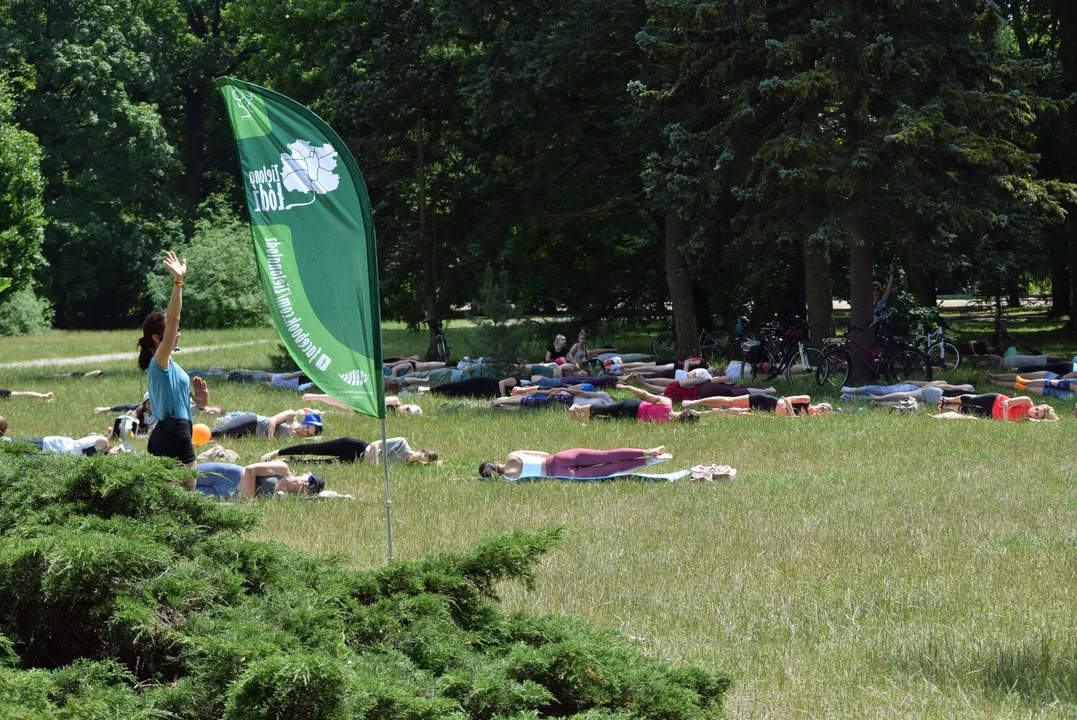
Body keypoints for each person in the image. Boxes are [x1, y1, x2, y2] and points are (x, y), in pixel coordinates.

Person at [138, 251, 198, 475]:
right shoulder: (159, 361)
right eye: (173, 332)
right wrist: (178, 282)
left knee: (170, 495)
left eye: (177, 332)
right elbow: (173, 319)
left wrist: (198, 404)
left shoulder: (169, 364)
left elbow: (175, 406)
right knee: (187, 492)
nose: (177, 334)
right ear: (156, 337)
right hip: (174, 432)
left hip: (170, 430)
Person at [479, 446, 671, 480]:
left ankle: (650, 461)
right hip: (560, 458)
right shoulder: (513, 455)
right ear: (496, 462)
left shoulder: (510, 480)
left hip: (561, 474)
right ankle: (648, 451)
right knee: (607, 455)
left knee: (609, 469)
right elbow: (543, 453)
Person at [568, 385, 700, 423]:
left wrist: (629, 387)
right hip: (633, 418)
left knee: (606, 409)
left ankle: (576, 409)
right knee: (607, 421)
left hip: (634, 405)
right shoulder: (666, 423)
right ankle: (576, 418)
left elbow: (644, 395)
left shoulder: (666, 402)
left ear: (683, 412)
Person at [194, 460, 325, 498]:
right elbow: (251, 469)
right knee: (180, 476)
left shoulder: (285, 498)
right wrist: (249, 498)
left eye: (311, 488)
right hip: (228, 474)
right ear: (305, 473)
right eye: (310, 479)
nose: (306, 484)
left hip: (227, 495)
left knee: (183, 495)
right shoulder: (282, 469)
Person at [261, 437, 437, 465]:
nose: (421, 459)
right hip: (356, 447)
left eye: (425, 460)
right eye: (424, 455)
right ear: (421, 450)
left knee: (321, 463)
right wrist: (374, 464)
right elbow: (376, 444)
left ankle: (287, 461)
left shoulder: (405, 465)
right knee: (317, 449)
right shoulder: (401, 443)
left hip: (355, 461)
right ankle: (277, 452)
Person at [210, 409, 324, 440]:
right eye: (308, 427)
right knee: (220, 431)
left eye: (308, 433)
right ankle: (192, 433)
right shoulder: (292, 416)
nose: (305, 430)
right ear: (306, 422)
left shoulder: (295, 439)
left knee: (221, 438)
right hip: (254, 422)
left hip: (253, 435)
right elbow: (272, 420)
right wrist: (270, 439)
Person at [935, 393, 1058, 421]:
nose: (1034, 411)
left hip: (993, 415)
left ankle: (948, 406)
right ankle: (949, 399)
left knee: (969, 411)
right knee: (973, 400)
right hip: (995, 401)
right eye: (1037, 409)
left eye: (1036, 414)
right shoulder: (1027, 401)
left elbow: (1053, 422)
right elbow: (1007, 403)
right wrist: (1005, 420)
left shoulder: (1027, 420)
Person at [682, 394, 832, 416]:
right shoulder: (806, 399)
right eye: (823, 407)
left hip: (767, 412)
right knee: (730, 401)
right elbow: (786, 399)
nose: (820, 410)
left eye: (823, 412)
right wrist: (793, 415)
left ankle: (698, 413)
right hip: (767, 401)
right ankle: (694, 402)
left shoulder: (807, 419)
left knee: (733, 412)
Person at [868, 384, 973, 407]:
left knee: (905, 399)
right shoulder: (970, 391)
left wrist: (932, 385)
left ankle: (878, 401)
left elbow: (949, 387)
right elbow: (949, 387)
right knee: (906, 400)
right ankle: (878, 400)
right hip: (938, 400)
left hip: (937, 397)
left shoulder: (969, 388)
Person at [417, 376, 517, 398]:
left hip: (485, 393)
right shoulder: (517, 382)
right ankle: (429, 389)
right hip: (482, 383)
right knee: (457, 386)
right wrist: (503, 397)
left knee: (459, 395)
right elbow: (501, 383)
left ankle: (433, 395)